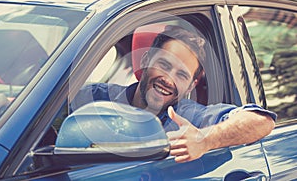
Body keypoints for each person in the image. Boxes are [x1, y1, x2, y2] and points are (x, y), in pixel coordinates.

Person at [71, 25, 276, 163]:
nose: (168, 80)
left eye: (181, 75)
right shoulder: (95, 97)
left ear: (190, 86)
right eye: (164, 64)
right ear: (145, 61)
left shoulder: (191, 118)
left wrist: (205, 140)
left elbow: (262, 121)